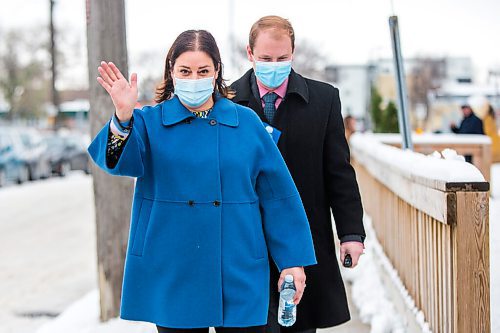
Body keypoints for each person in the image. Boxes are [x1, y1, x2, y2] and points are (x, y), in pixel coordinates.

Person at [87, 29, 318, 333]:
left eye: (203, 71)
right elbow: (115, 162)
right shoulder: (149, 123)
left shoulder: (246, 122)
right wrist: (123, 116)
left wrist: (292, 261)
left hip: (239, 263)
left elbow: (278, 197)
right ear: (171, 71)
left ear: (217, 71)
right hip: (173, 266)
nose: (194, 78)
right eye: (185, 70)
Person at [230, 16, 366, 333]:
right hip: (245, 239)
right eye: (265, 59)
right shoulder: (227, 102)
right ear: (249, 53)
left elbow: (339, 173)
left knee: (298, 325)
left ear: (294, 53)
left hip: (305, 238)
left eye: (282, 58)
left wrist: (350, 233)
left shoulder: (324, 99)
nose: (273, 66)